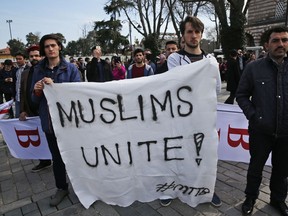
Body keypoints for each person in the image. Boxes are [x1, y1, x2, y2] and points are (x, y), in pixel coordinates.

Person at [166, 15, 222, 208]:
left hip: (203, 119)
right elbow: (176, 83)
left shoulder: (211, 60)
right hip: (180, 119)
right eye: (189, 31)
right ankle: (172, 188)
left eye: (197, 32)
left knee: (205, 156)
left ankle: (207, 189)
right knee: (178, 153)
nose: (193, 36)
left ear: (201, 34)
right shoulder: (174, 58)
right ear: (183, 35)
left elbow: (216, 89)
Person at [236, 26, 288, 216]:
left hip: (286, 132)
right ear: (266, 45)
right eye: (276, 40)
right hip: (261, 131)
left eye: (284, 40)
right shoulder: (253, 68)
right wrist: (254, 115)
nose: (281, 44)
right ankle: (250, 198)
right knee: (255, 168)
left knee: (282, 170)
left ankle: (278, 199)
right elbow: (241, 95)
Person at [31, 34, 81, 206]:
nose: (50, 49)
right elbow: (34, 101)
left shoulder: (72, 69)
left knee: (77, 155)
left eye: (53, 45)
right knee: (57, 158)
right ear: (43, 50)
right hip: (50, 124)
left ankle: (84, 186)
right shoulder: (38, 69)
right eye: (46, 46)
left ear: (59, 47)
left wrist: (56, 88)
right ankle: (62, 188)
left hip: (69, 122)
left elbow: (77, 95)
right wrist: (37, 91)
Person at [19, 44, 52, 172]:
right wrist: (23, 110)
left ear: (42, 56)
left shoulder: (48, 70)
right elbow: (22, 92)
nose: (35, 58)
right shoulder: (25, 73)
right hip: (32, 110)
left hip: (47, 110)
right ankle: (44, 161)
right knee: (38, 137)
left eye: (37, 55)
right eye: (32, 56)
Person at [15, 52, 30, 118]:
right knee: (18, 117)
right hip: (17, 98)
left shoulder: (29, 69)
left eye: (20, 59)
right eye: (17, 59)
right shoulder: (16, 70)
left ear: (25, 59)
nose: (18, 61)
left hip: (26, 99)